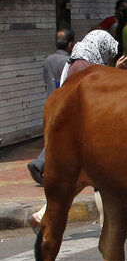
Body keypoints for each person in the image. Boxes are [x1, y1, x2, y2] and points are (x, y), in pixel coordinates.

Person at [29, 30, 127, 228]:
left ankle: (44, 216)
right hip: (85, 134)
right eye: (106, 53)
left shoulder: (78, 63)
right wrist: (117, 71)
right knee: (98, 182)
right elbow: (101, 95)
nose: (107, 57)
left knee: (89, 183)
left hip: (80, 133)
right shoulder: (84, 67)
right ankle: (110, 226)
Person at [26, 29, 75, 185]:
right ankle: (39, 164)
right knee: (60, 137)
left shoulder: (48, 60)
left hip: (50, 103)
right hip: (63, 105)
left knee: (57, 137)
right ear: (70, 44)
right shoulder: (68, 62)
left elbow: (46, 83)